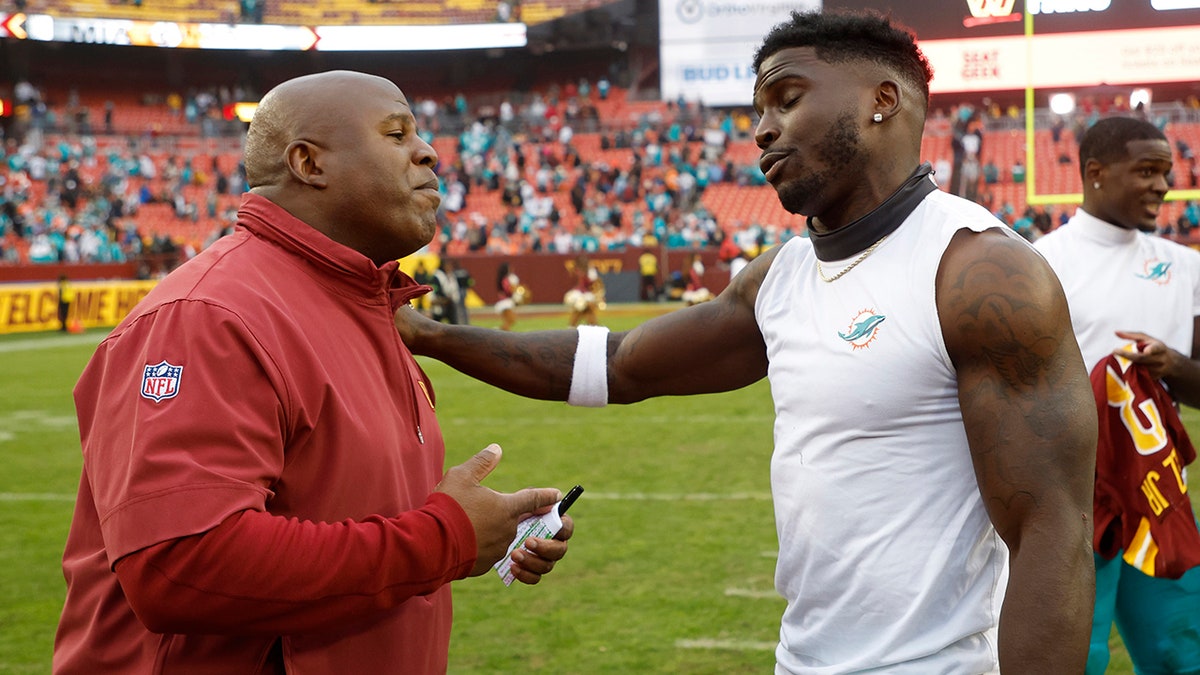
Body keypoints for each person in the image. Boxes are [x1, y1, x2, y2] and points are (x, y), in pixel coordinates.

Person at [395, 10, 1097, 673]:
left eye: (786, 99)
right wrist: (426, 334)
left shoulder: (977, 271)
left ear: (883, 100)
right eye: (757, 112)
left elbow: (1051, 533)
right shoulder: (780, 277)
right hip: (800, 657)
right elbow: (616, 365)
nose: (761, 130)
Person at [53, 70, 573, 675]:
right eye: (396, 132)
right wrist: (443, 538)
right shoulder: (208, 315)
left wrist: (482, 531)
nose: (428, 150)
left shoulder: (361, 303)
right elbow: (181, 564)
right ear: (308, 162)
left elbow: (355, 513)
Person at [1033, 116, 1200, 675]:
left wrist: (1172, 365)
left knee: (1181, 651)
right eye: (1146, 171)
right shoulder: (1039, 263)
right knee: (1078, 655)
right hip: (1072, 493)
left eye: (1165, 173)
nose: (1161, 185)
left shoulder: (1185, 267)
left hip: (1156, 489)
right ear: (1096, 173)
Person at [564, 253, 602, 327]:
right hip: (578, 294)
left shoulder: (591, 271)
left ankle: (572, 327)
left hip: (587, 295)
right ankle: (594, 328)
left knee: (583, 309)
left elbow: (595, 285)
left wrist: (597, 296)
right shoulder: (577, 270)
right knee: (583, 309)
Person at [495, 262, 526, 331]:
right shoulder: (505, 279)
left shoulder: (505, 279)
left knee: (509, 321)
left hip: (506, 302)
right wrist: (516, 290)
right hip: (505, 303)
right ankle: (498, 331)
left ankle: (500, 331)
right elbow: (508, 290)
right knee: (511, 319)